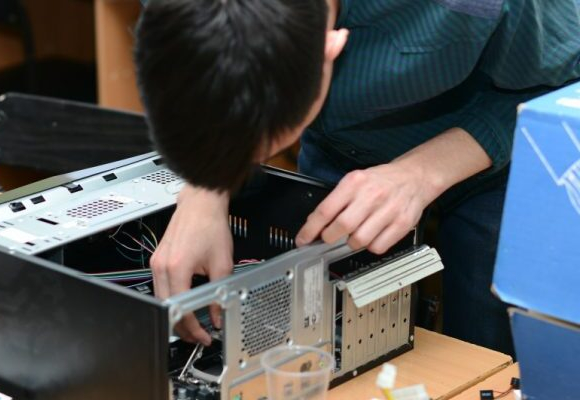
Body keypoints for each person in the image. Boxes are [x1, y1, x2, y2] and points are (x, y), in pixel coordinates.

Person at [134, 0, 580, 355]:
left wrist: (422, 173)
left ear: (333, 49)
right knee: (336, 336)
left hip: (500, 147)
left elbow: (567, 91)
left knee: (487, 352)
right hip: (343, 153)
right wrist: (204, 192)